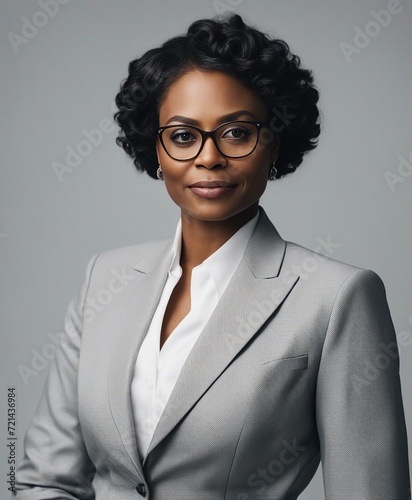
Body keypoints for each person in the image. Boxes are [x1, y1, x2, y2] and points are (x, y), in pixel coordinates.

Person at [15, 13, 410, 500]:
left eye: (237, 132)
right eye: (183, 136)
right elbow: (43, 479)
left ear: (274, 141)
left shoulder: (337, 298)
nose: (208, 157)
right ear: (155, 150)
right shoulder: (105, 277)